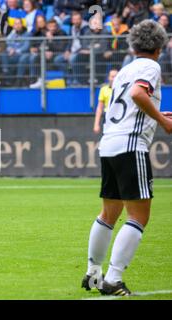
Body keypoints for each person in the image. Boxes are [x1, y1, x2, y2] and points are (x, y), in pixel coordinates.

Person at [82, 20, 172, 296]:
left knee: (109, 213)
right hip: (131, 146)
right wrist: (163, 121)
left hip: (110, 143)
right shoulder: (151, 66)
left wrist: (157, 115)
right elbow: (137, 94)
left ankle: (93, 273)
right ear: (160, 47)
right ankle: (113, 279)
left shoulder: (124, 70)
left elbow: (128, 100)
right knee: (139, 216)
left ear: (134, 44)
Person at [93, 69, 118, 134]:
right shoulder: (103, 89)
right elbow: (99, 108)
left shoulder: (122, 90)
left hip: (119, 118)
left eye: (116, 76)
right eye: (112, 76)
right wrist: (96, 124)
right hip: (107, 118)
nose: (114, 79)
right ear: (109, 78)